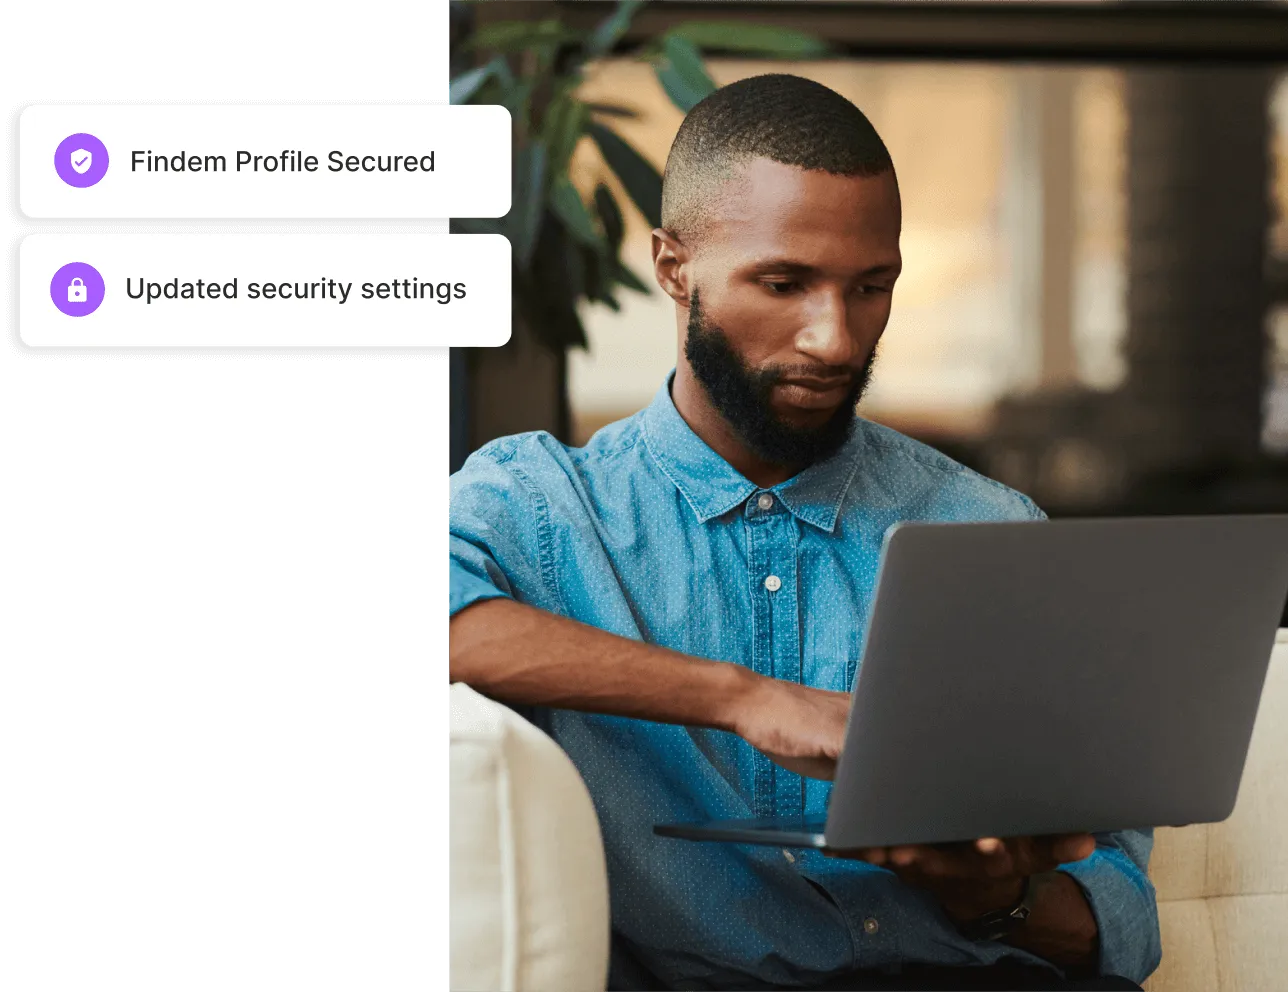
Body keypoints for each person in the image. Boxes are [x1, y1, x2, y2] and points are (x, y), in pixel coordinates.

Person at [448, 74, 1159, 991]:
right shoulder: (543, 507)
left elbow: (1118, 929)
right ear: (674, 268)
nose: (835, 339)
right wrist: (742, 698)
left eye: (872, 287)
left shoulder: (991, 530)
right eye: (784, 283)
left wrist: (991, 898)